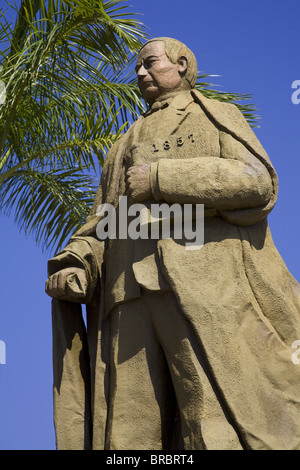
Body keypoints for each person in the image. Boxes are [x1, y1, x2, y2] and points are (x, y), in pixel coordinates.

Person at [46, 37, 300, 450]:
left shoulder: (216, 116)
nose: (141, 73)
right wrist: (77, 261)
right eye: (138, 68)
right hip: (126, 297)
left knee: (210, 421)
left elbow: (257, 182)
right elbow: (106, 220)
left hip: (199, 288)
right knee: (125, 434)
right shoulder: (122, 144)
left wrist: (162, 178)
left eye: (150, 63)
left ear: (182, 65)